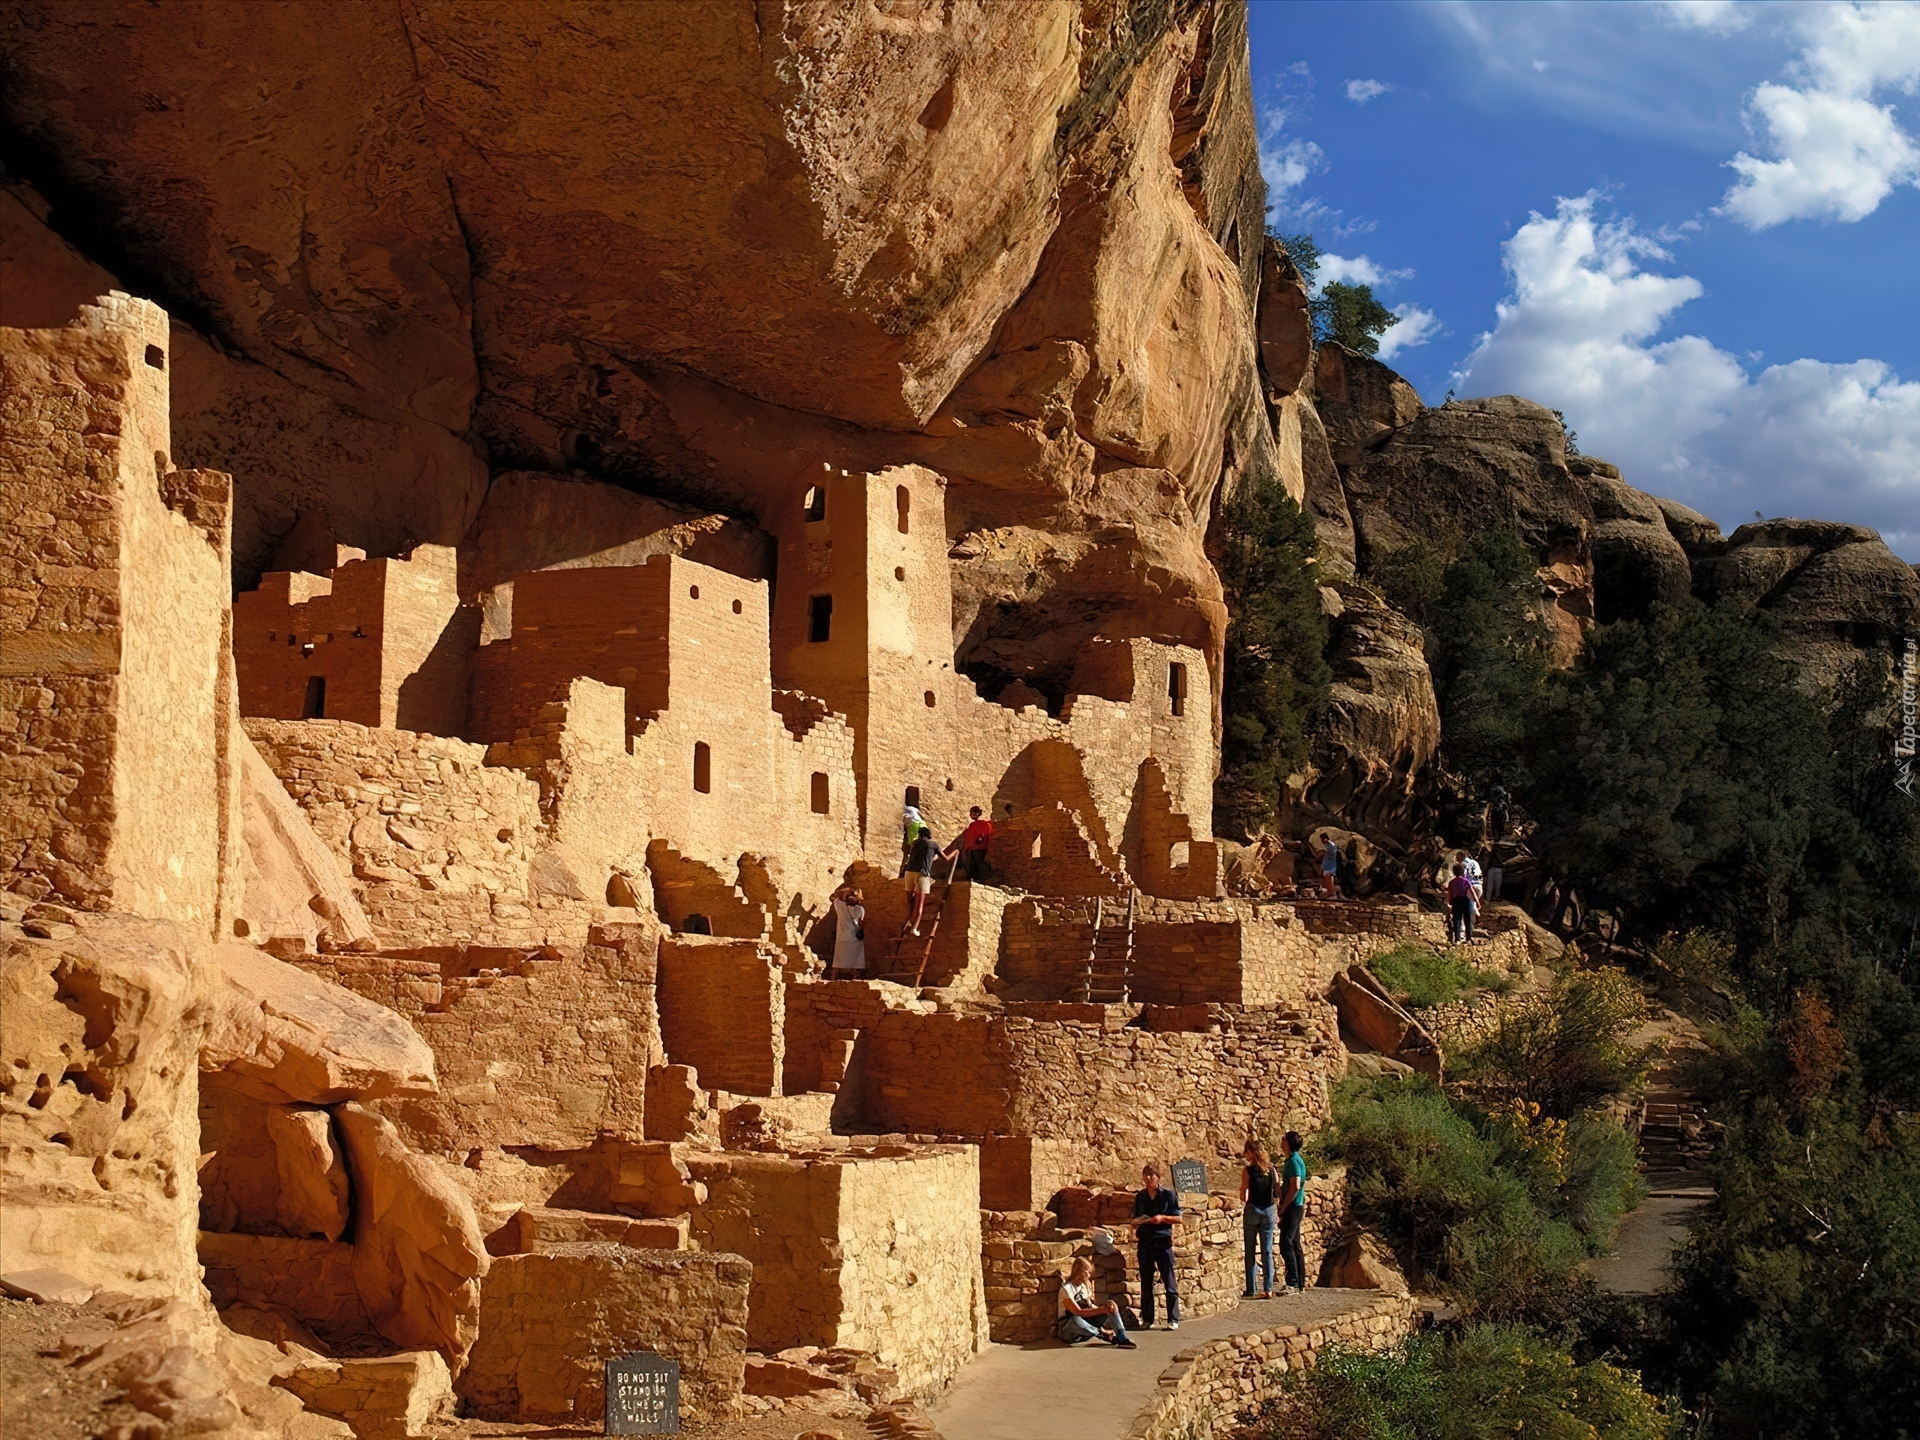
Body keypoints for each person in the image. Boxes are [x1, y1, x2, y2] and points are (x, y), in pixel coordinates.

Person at [1127, 1163, 1182, 1329]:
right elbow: (1136, 1218)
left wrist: (1163, 1218)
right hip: (1145, 1242)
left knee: (1169, 1281)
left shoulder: (1168, 1195)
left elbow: (1178, 1218)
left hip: (1162, 1241)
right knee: (1146, 1282)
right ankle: (1148, 1319)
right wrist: (1137, 1222)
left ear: (1158, 1177)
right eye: (1147, 1175)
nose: (1150, 1178)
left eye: (1153, 1175)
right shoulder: (1141, 1197)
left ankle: (1173, 1319)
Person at [1055, 1257, 1135, 1348]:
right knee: (1076, 1318)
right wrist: (1101, 1311)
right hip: (1069, 1330)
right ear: (1079, 1271)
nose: (1089, 1275)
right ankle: (1102, 1335)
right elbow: (1077, 1312)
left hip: (1085, 1329)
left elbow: (1089, 1307)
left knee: (1110, 1303)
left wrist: (1105, 1309)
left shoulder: (1083, 1287)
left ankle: (1122, 1337)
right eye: (1087, 1272)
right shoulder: (1066, 1289)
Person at [1240, 1141, 1278, 1298]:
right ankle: (1268, 1288)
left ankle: (1252, 1288)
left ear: (1250, 1152)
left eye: (1246, 1151)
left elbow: (1243, 1192)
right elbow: (1277, 1189)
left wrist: (1244, 1201)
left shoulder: (1247, 1171)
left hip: (1253, 1209)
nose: (1244, 1155)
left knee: (1250, 1249)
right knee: (1267, 1250)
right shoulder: (1271, 1169)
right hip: (1269, 1211)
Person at [1278, 1131, 1309, 1294]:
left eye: (1284, 1139)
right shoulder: (1292, 1160)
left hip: (1294, 1207)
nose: (1281, 1142)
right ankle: (1300, 1282)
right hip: (1295, 1206)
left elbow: (1295, 1185)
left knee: (1286, 1243)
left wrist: (1284, 1206)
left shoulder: (1294, 1162)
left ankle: (1293, 1282)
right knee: (1295, 1243)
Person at [903, 826, 941, 934]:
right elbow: (946, 858)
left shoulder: (915, 843)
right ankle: (915, 928)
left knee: (910, 901)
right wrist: (955, 852)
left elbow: (911, 855)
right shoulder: (933, 845)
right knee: (920, 904)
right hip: (922, 874)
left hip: (909, 872)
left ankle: (910, 921)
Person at [944, 806, 994, 884]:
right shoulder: (986, 824)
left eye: (972, 813)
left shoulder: (976, 825)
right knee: (977, 862)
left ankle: (981, 877)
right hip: (982, 847)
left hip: (976, 847)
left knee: (977, 862)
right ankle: (980, 877)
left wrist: (966, 848)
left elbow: (972, 837)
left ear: (976, 813)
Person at [829, 885, 865, 978]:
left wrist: (845, 892)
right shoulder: (860, 909)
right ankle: (854, 978)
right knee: (855, 961)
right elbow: (861, 922)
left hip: (842, 936)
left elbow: (833, 897)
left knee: (838, 960)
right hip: (854, 936)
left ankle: (833, 979)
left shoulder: (838, 905)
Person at [1447, 861, 1476, 944]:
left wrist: (1450, 901)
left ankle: (1457, 939)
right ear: (1463, 871)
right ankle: (1469, 938)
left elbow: (1450, 893)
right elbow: (1472, 892)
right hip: (1466, 900)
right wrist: (1477, 901)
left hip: (1456, 901)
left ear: (1453, 872)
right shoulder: (1466, 881)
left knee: (1457, 920)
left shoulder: (1451, 882)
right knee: (1468, 920)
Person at [1317, 834, 1340, 898]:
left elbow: (1329, 855)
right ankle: (1330, 893)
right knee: (1329, 878)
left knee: (1328, 878)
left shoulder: (1329, 845)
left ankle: (1331, 893)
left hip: (1329, 865)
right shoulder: (1331, 845)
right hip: (1330, 864)